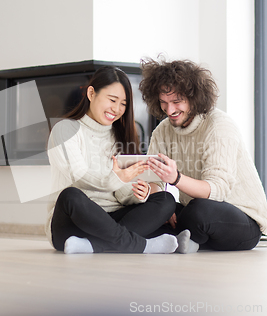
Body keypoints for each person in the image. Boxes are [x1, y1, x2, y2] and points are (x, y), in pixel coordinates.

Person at [140, 58, 267, 252]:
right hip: (196, 211)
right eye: (164, 103)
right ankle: (187, 240)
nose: (170, 110)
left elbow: (217, 191)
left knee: (199, 210)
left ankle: (181, 239)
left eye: (177, 102)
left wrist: (175, 179)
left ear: (194, 97)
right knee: (150, 209)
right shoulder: (163, 130)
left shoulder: (219, 125)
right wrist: (161, 204)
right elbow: (152, 180)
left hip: (242, 220)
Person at [45, 66, 179, 254]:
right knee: (70, 196)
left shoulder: (119, 137)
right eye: (112, 100)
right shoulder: (65, 130)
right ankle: (142, 245)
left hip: (112, 219)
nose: (117, 109)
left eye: (123, 104)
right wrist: (117, 178)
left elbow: (121, 193)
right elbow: (79, 177)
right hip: (72, 223)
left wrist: (138, 194)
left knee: (165, 200)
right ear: (91, 93)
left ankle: (92, 246)